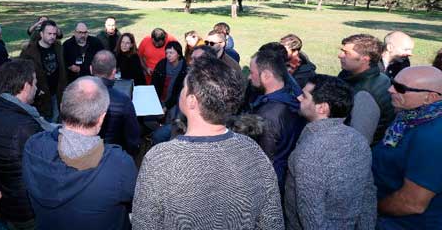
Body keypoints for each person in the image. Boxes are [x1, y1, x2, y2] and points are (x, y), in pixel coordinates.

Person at [132, 56, 284, 230]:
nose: (182, 91)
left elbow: (144, 225)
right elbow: (272, 222)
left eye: (184, 88)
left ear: (191, 101)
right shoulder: (254, 153)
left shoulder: (160, 160)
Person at [23, 77, 138, 230]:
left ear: (62, 106)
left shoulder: (33, 147)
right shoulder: (119, 164)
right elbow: (137, 201)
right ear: (102, 118)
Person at [285, 74, 376, 229]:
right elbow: (368, 196)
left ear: (322, 108)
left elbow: (312, 219)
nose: (299, 98)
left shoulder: (311, 151)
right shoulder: (358, 139)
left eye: (305, 96)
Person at [0, 59, 54, 230]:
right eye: (35, 83)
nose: (37, 88)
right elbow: (48, 168)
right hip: (28, 208)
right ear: (26, 86)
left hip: (9, 201)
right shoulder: (25, 126)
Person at [372, 66, 442, 229]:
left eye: (400, 88)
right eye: (392, 83)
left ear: (430, 97)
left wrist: (371, 208)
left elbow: (412, 204)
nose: (390, 89)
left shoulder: (433, 137)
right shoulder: (411, 116)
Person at [248, 48, 305, 193]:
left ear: (266, 75)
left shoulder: (269, 115)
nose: (249, 77)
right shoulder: (289, 97)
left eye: (252, 72)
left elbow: (264, 160)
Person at [338, 33, 394, 145]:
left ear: (365, 59)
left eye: (346, 53)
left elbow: (359, 139)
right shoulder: (352, 75)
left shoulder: (365, 94)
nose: (340, 55)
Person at [91, 51, 140, 157]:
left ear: (91, 69)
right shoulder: (123, 101)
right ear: (114, 73)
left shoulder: (75, 93)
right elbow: (133, 138)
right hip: (112, 155)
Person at [20, 20, 67, 122]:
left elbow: (62, 69)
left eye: (54, 34)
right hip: (39, 95)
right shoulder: (29, 51)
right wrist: (36, 90)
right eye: (49, 34)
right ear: (41, 34)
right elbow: (22, 73)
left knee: (55, 118)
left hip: (56, 92)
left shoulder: (58, 47)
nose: (52, 36)